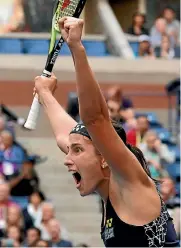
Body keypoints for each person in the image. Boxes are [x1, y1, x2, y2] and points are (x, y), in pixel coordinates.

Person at [33, 17, 179, 247]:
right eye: (70, 151)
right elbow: (66, 136)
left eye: (77, 151)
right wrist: (45, 95)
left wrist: (77, 48)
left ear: (104, 158)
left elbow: (96, 120)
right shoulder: (107, 186)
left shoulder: (131, 183)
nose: (67, 159)